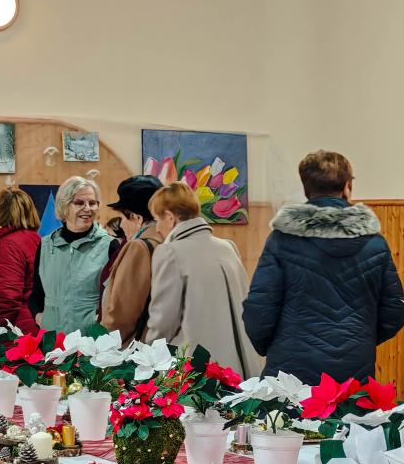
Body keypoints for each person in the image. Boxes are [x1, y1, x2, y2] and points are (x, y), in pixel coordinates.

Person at [243, 151, 404, 383]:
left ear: (306, 189)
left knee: (287, 410)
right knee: (349, 409)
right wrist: (360, 339)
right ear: (347, 187)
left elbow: (259, 308)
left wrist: (272, 346)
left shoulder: (282, 240)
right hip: (353, 370)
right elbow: (394, 311)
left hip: (290, 371)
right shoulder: (375, 243)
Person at [145, 183, 260, 377]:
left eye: (157, 220)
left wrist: (149, 355)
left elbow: (163, 320)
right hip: (242, 365)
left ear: (170, 218)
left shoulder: (170, 252)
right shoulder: (228, 247)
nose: (156, 228)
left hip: (198, 367)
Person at [32, 175, 113, 334]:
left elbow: (115, 299)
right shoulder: (46, 245)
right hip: (52, 339)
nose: (87, 208)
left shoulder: (110, 245)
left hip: (91, 340)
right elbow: (36, 292)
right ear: (64, 206)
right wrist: (40, 317)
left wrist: (98, 324)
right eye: (79, 203)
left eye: (92, 203)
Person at [100, 175, 164, 343]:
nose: (121, 225)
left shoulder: (139, 247)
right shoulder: (167, 242)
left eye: (122, 218)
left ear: (137, 218)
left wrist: (103, 344)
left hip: (133, 347)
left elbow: (122, 314)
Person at [0, 188, 41, 334]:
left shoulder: (8, 245)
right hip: (31, 327)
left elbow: (6, 297)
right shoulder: (35, 240)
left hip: (13, 332)